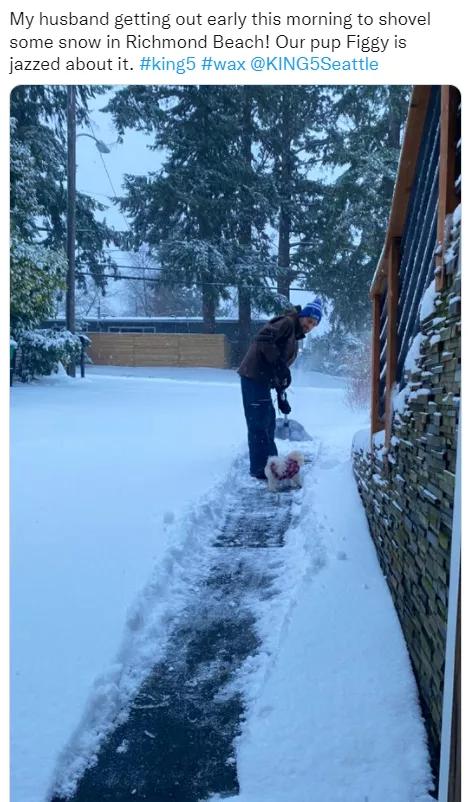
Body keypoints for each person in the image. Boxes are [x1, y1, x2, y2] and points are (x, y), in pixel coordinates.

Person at [238, 298, 322, 480]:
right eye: (309, 321)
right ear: (302, 316)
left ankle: (272, 464)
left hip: (262, 381)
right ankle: (261, 469)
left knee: (268, 423)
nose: (310, 326)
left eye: (314, 324)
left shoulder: (294, 334)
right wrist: (279, 365)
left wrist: (281, 395)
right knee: (259, 424)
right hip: (253, 377)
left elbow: (278, 369)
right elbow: (264, 339)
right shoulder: (287, 323)